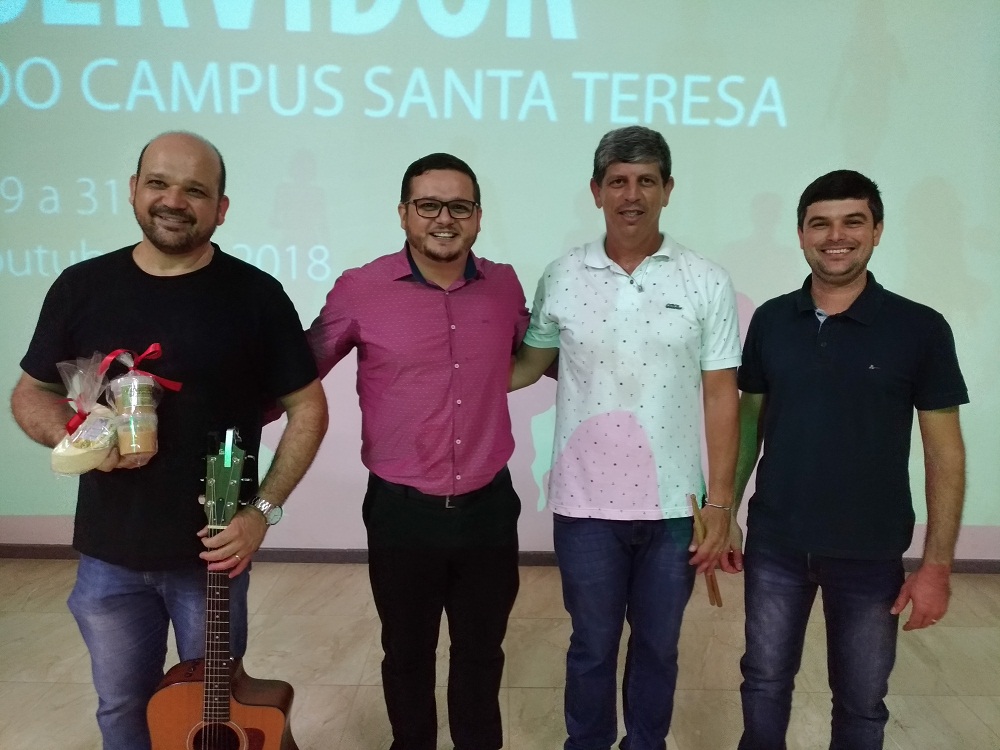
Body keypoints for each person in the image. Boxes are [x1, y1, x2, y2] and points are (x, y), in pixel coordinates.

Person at [10, 131, 329, 750]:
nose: (174, 201)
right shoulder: (82, 286)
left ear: (221, 208)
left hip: (211, 557)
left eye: (195, 190)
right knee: (122, 708)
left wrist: (262, 511)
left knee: (214, 719)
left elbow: (308, 407)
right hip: (109, 554)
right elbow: (31, 394)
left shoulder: (256, 295)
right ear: (134, 190)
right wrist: (78, 436)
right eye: (158, 183)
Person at [510, 125, 741, 750]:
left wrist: (721, 505)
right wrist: (447, 365)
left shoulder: (705, 279)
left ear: (668, 189)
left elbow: (721, 395)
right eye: (617, 181)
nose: (631, 195)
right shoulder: (562, 275)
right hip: (584, 505)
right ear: (596, 191)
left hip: (674, 509)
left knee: (659, 647)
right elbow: (529, 365)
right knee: (591, 645)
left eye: (645, 181)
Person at [731, 169, 968, 749]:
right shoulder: (771, 320)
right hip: (776, 546)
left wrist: (936, 566)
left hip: (870, 553)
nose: (835, 236)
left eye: (852, 222)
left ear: (877, 230)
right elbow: (749, 425)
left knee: (861, 705)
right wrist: (723, 512)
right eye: (820, 224)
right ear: (801, 234)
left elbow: (944, 454)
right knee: (763, 683)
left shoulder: (921, 328)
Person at [306, 153, 528, 750]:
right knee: (406, 654)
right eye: (428, 205)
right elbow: (301, 369)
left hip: (488, 508)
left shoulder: (504, 286)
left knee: (482, 653)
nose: (444, 219)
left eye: (459, 206)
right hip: (401, 513)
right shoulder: (361, 288)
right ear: (404, 213)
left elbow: (549, 355)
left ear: (477, 216)